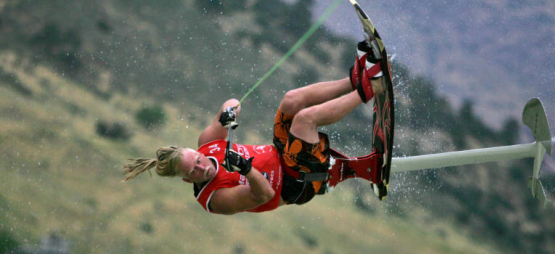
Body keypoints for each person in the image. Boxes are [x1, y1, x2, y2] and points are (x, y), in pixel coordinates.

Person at [122, 41, 384, 215]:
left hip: (282, 154)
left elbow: (234, 103)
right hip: (294, 184)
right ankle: (371, 88)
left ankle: (354, 79)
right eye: (196, 170)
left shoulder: (207, 143)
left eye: (198, 159)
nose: (203, 166)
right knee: (304, 120)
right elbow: (264, 194)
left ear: (196, 150)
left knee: (291, 100)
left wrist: (228, 113)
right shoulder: (213, 199)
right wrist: (247, 169)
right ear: (188, 179)